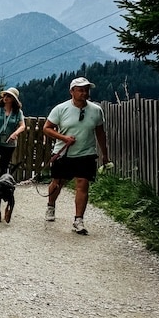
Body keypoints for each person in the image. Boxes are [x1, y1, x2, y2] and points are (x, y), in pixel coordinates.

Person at [42, 76, 109, 235]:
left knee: (83, 183)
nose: (84, 93)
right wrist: (64, 138)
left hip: (86, 153)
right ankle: (51, 205)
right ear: (72, 91)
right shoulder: (60, 109)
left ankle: (78, 220)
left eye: (86, 90)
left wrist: (105, 154)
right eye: (80, 90)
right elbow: (47, 128)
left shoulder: (96, 110)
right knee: (58, 182)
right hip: (64, 152)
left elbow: (100, 133)